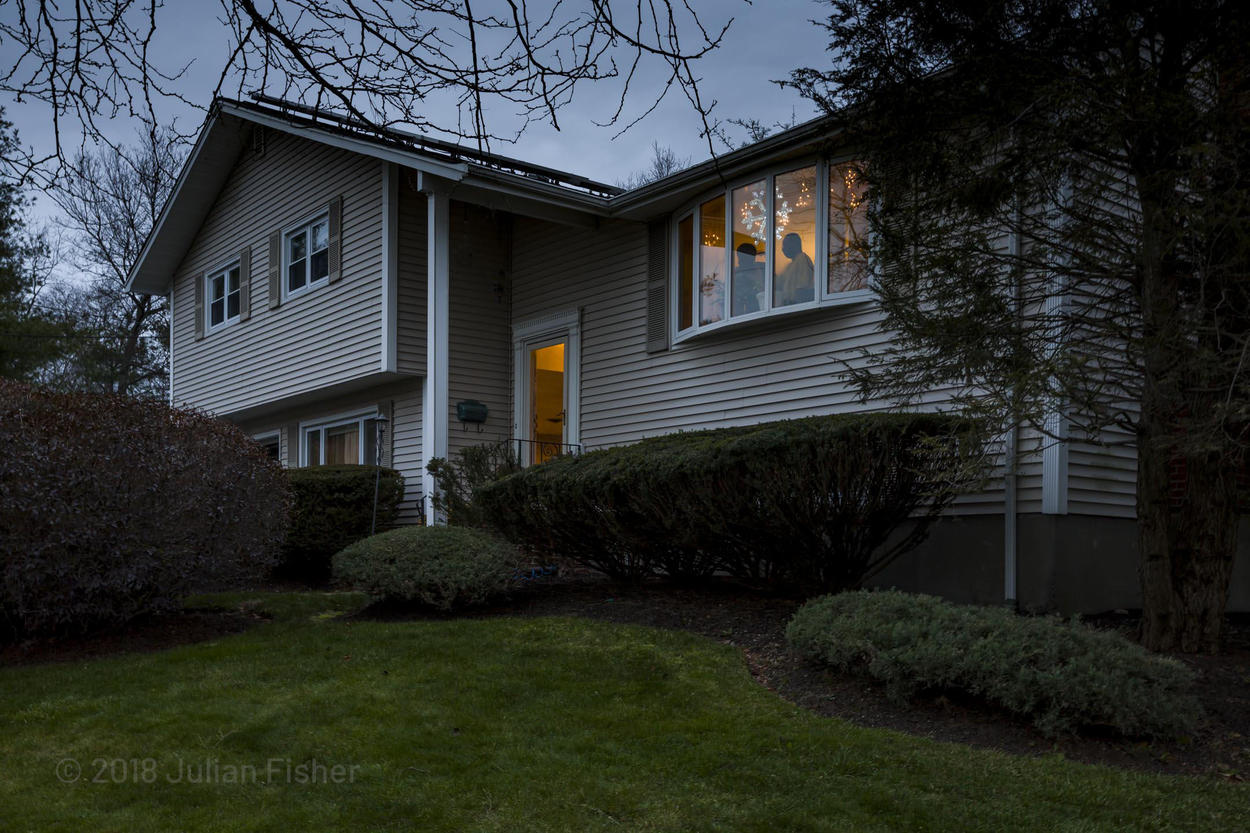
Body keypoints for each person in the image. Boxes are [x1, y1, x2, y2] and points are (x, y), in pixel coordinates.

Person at [775, 233, 815, 306]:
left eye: (785, 245)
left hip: (797, 305)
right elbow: (778, 285)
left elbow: (803, 287)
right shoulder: (790, 266)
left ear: (795, 244)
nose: (783, 248)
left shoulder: (802, 259)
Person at [731, 242, 765, 315]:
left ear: (752, 257)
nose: (739, 261)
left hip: (762, 310)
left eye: (743, 257)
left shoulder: (764, 269)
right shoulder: (736, 274)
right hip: (743, 313)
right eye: (739, 257)